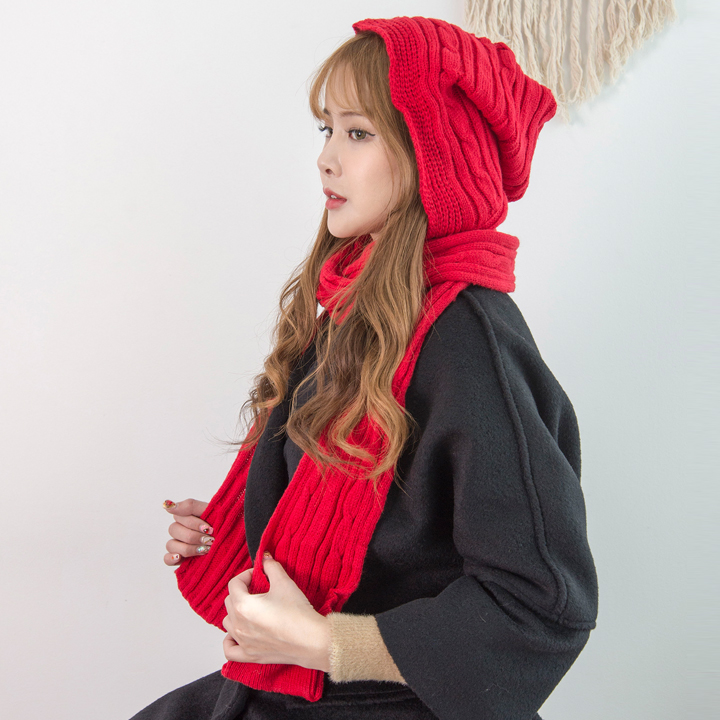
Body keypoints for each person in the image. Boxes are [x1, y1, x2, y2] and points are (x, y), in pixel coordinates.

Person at [130, 15, 598, 720]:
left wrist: (326, 644)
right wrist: (233, 528)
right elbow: (378, 529)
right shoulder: (359, 312)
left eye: (358, 133)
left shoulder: (469, 344)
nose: (326, 159)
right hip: (299, 692)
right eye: (327, 130)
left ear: (432, 154)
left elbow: (541, 604)